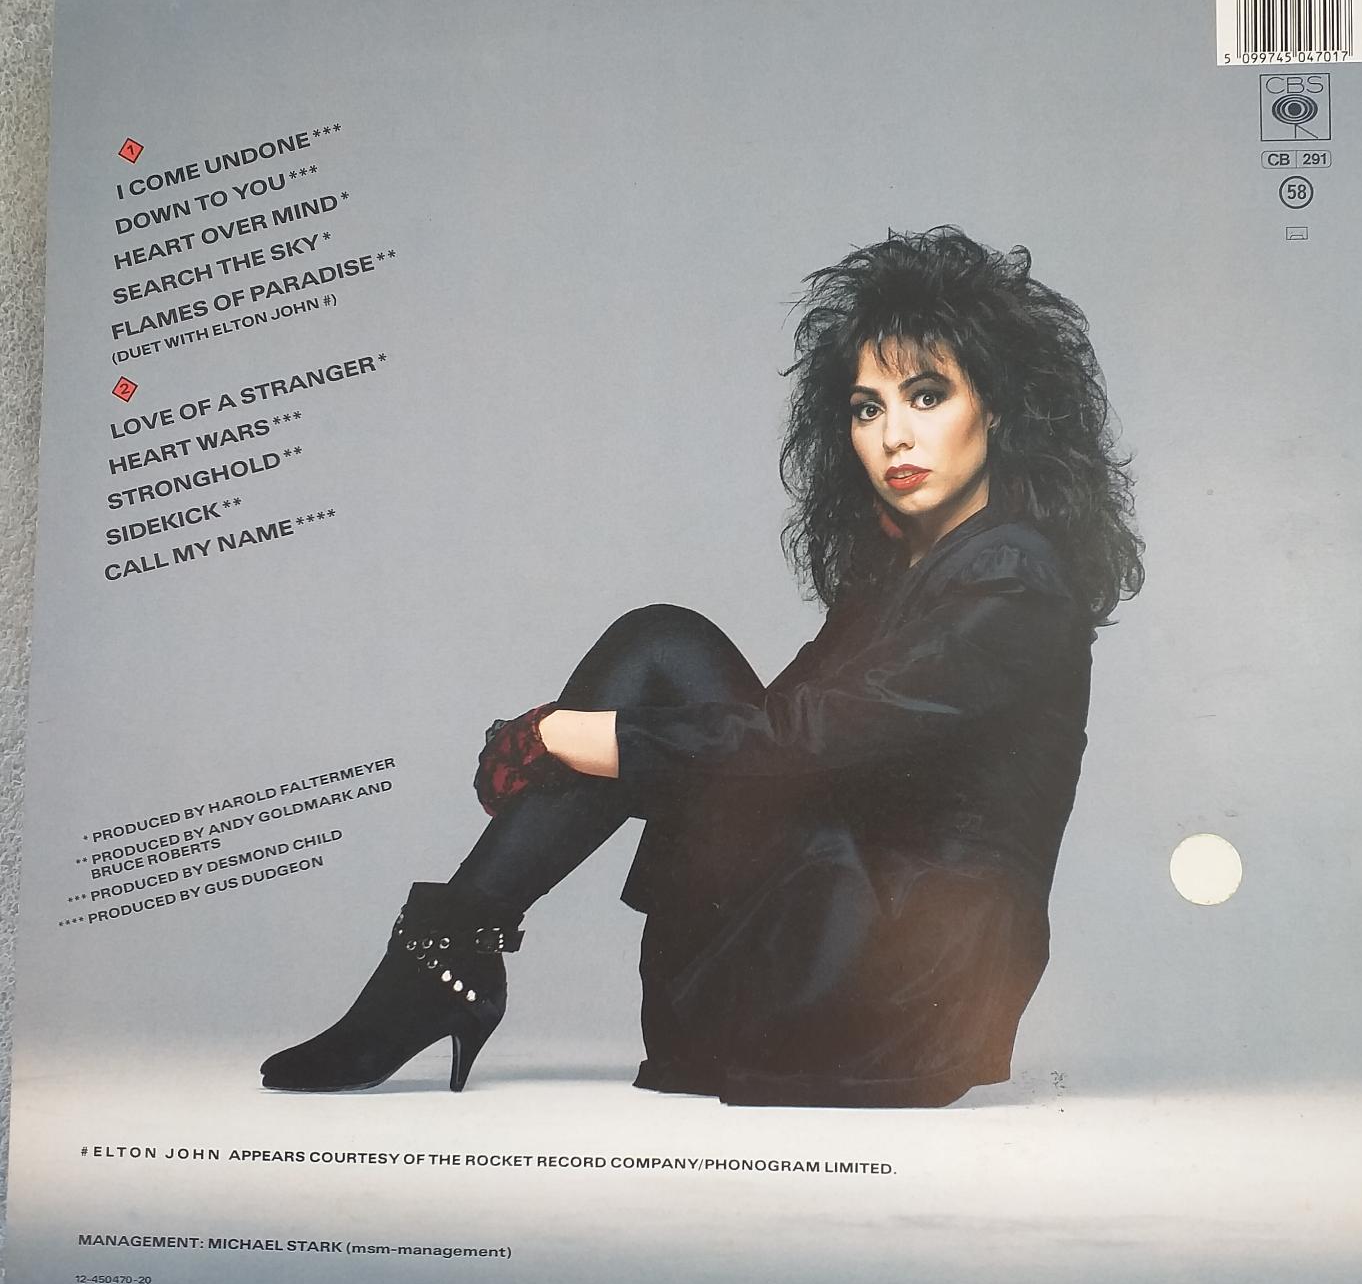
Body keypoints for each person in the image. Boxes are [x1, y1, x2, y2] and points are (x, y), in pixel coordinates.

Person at [260, 226, 1144, 1107]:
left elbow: (801, 738)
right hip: (843, 938)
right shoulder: (902, 569)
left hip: (907, 980)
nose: (893, 437)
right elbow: (771, 733)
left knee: (662, 657)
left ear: (998, 408)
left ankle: (440, 967)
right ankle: (447, 955)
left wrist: (574, 737)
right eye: (867, 408)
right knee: (664, 647)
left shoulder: (1013, 578)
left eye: (926, 395)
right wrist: (596, 742)